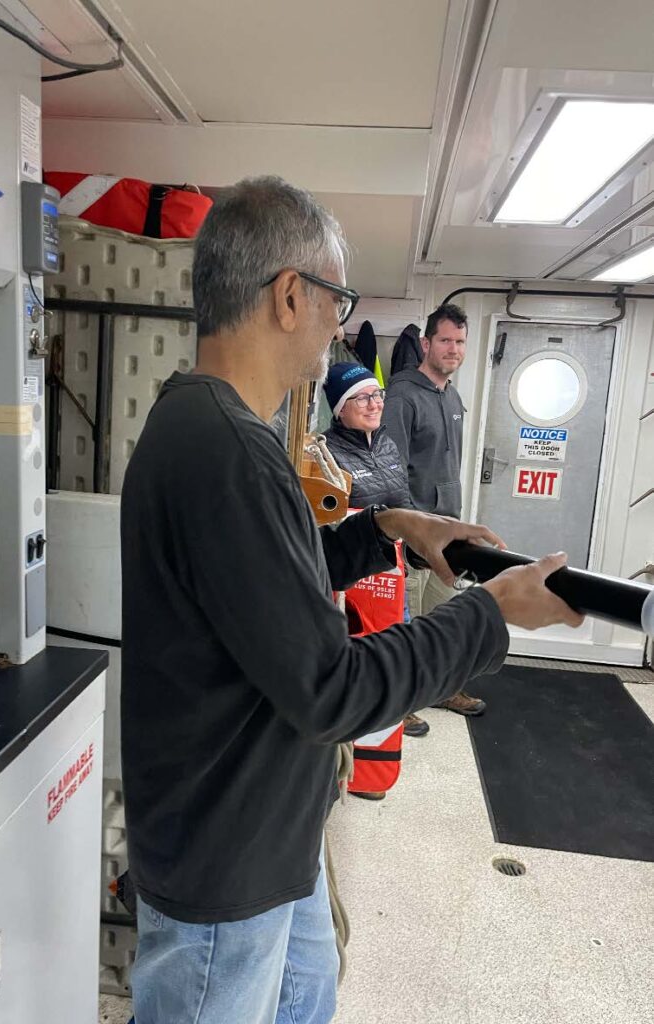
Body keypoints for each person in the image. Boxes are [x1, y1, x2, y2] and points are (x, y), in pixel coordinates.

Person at [120, 176, 582, 1024]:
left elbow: (270, 591)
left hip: (271, 838)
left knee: (306, 1002)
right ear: (290, 295)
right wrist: (491, 613)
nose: (342, 324)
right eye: (338, 300)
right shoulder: (227, 450)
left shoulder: (210, 428)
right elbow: (329, 687)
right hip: (228, 863)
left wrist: (395, 526)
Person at [383, 303, 485, 717]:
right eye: (445, 340)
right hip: (414, 536)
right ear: (426, 343)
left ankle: (441, 688)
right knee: (407, 625)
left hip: (448, 534)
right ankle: (402, 703)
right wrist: (411, 531)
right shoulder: (403, 396)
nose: (453, 349)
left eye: (460, 342)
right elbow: (392, 470)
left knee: (443, 620)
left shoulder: (453, 396)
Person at [323, 361, 430, 742]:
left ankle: (393, 712)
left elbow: (403, 503)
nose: (374, 404)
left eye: (377, 394)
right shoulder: (328, 455)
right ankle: (360, 738)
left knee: (396, 640)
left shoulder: (386, 444)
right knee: (362, 656)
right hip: (354, 581)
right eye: (361, 398)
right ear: (340, 409)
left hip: (391, 571)